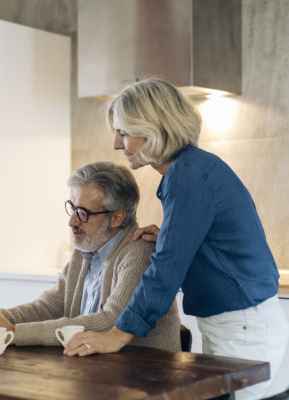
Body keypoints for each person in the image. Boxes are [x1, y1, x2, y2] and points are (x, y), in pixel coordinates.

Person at [64, 79, 289, 400]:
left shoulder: (186, 176)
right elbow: (209, 241)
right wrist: (171, 236)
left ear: (153, 130)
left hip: (242, 329)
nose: (116, 144)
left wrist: (118, 334)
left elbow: (166, 270)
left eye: (124, 133)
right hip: (240, 325)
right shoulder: (192, 168)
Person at [0, 161, 181, 350]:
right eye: (72, 207)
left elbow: (109, 322)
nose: (72, 221)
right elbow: (47, 307)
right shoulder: (85, 250)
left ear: (117, 218)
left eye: (83, 213)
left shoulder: (139, 250)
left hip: (145, 380)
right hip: (99, 374)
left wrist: (16, 332)